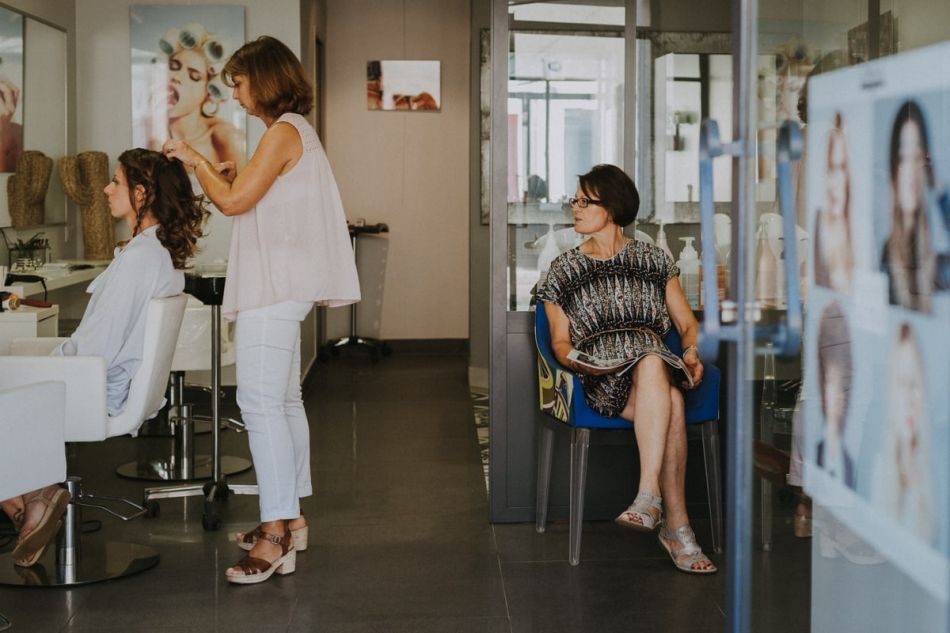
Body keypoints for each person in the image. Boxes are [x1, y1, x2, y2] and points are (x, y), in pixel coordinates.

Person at [163, 35, 361, 585]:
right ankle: (291, 518)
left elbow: (232, 203)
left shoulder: (282, 132)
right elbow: (256, 197)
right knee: (283, 400)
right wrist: (225, 176)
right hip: (284, 286)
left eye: (240, 84)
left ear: (265, 80)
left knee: (259, 404)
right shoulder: (294, 132)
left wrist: (196, 160)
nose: (236, 95)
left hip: (275, 289)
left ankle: (275, 534)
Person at [0, 148, 209, 567]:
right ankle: (32, 495)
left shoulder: (139, 260)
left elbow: (95, 346)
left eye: (115, 181)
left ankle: (30, 495)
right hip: (104, 383)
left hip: (93, 387)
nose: (105, 189)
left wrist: (46, 360)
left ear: (141, 193)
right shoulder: (153, 253)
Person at [537, 164, 715, 574]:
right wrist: (577, 361)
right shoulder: (563, 270)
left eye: (585, 201)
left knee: (653, 363)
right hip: (603, 377)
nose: (575, 208)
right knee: (672, 402)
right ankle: (676, 527)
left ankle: (650, 500)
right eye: (575, 200)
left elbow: (687, 325)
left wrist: (690, 352)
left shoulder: (653, 260)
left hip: (653, 368)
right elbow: (560, 342)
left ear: (613, 208)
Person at [147, 23, 246, 171]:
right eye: (174, 67)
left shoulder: (225, 137)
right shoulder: (153, 133)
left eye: (194, 76)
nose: (176, 77)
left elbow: (244, 186)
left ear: (208, 92)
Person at [872, 323, 936, 544]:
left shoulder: (935, 475)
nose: (909, 399)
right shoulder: (882, 471)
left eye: (915, 384)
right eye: (901, 384)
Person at [881, 100, 936, 313]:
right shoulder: (888, 253)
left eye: (918, 158)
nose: (912, 170)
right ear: (894, 168)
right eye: (904, 158)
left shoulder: (935, 250)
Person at [814, 302, 856, 489]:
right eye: (834, 385)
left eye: (845, 386)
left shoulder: (853, 461)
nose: (841, 397)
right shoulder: (813, 449)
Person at [813, 113, 854, 294]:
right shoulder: (818, 227)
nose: (833, 183)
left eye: (840, 168)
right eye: (829, 169)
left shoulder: (858, 229)